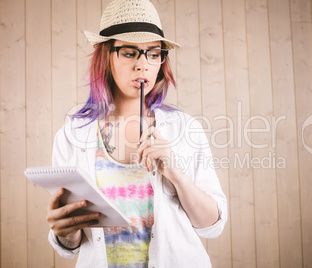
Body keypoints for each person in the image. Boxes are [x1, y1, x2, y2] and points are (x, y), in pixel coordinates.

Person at [45, 0, 227, 267]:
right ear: (106, 55)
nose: (143, 65)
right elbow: (70, 245)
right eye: (130, 53)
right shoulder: (72, 135)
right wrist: (66, 230)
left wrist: (176, 173)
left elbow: (211, 225)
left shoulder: (185, 128)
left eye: (153, 54)